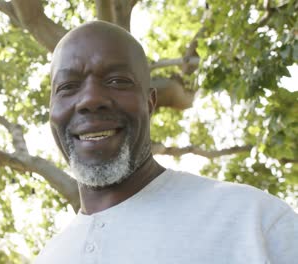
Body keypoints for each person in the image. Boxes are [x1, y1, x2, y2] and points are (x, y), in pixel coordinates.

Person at [35, 21, 298, 264]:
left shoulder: (254, 221)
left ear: (149, 104)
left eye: (117, 81)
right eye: (68, 86)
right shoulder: (49, 257)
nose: (90, 99)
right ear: (52, 110)